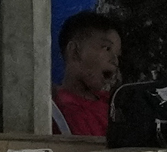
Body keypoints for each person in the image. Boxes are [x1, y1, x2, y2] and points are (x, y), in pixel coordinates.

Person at [53, 10, 126, 141]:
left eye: (117, 55)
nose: (114, 60)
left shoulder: (114, 103)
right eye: (107, 49)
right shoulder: (60, 110)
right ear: (75, 51)